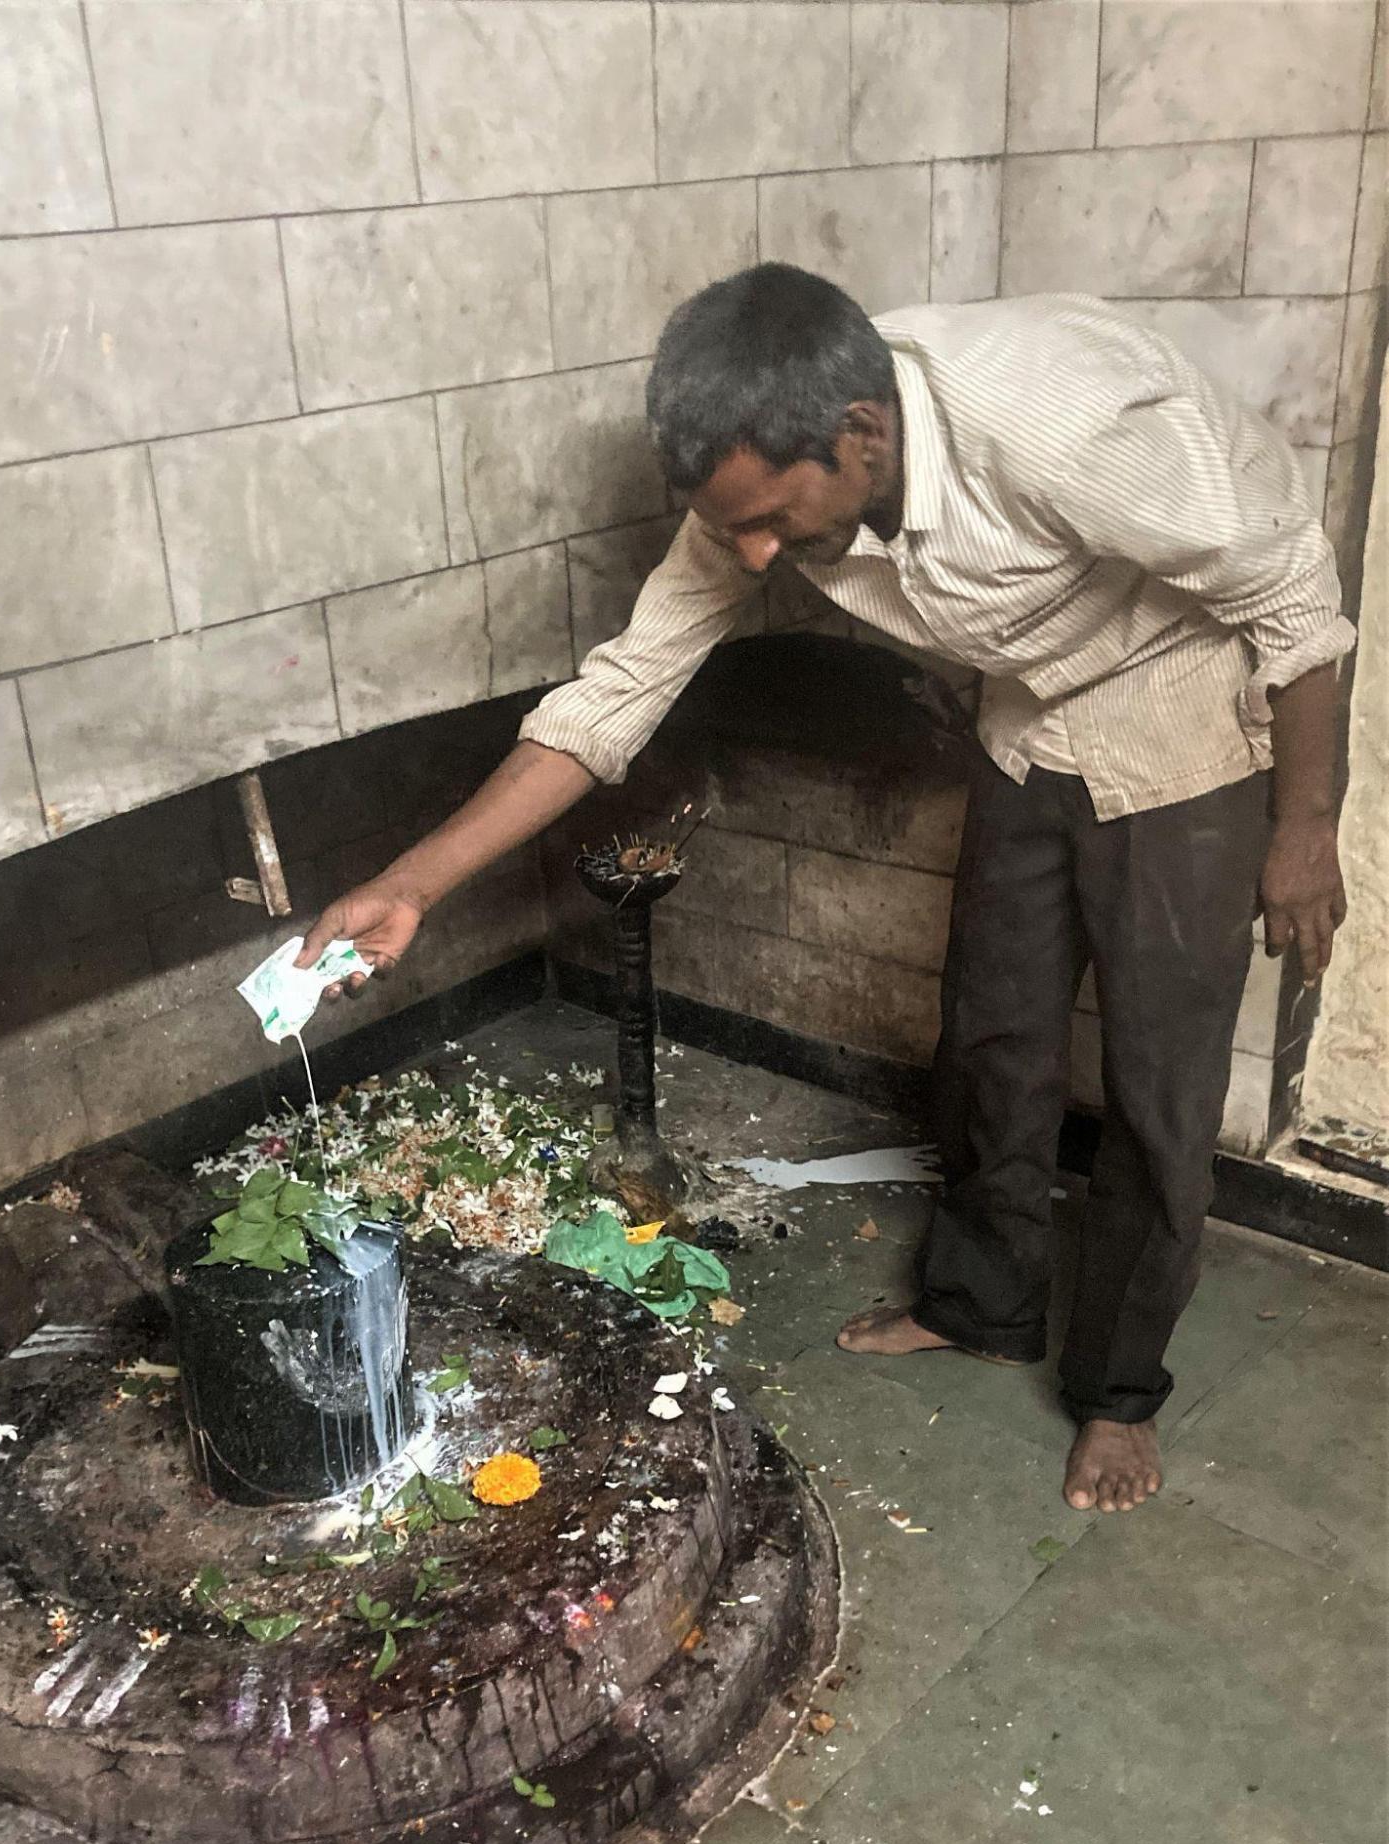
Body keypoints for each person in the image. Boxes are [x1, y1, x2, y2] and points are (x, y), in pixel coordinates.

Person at [297, 266, 1351, 1517]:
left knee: (1158, 1086)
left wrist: (1304, 822)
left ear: (864, 433)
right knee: (992, 1039)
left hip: (1185, 726)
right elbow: (617, 693)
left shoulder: (1059, 420)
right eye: (726, 522)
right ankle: (980, 1306)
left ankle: (1118, 1395)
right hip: (1025, 724)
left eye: (771, 521)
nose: (749, 553)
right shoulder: (762, 474)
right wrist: (410, 882)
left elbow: (1292, 595)